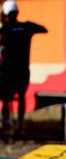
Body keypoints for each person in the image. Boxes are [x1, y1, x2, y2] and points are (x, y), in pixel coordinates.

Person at [0, 1, 47, 137]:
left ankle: (6, 122)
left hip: (7, 71)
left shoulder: (5, 29)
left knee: (5, 97)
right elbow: (44, 29)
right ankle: (20, 124)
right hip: (23, 70)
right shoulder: (26, 27)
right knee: (21, 97)